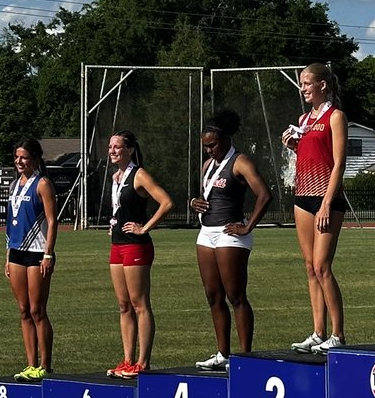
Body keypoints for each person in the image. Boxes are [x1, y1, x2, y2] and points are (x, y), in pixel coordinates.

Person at [189, 110, 273, 371]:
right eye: (205, 146)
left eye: (212, 145)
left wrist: (248, 226)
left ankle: (245, 357)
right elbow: (203, 195)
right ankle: (222, 353)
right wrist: (193, 202)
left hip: (230, 234)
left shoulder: (240, 161)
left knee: (235, 295)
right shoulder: (207, 166)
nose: (209, 150)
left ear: (225, 139)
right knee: (213, 296)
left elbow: (264, 194)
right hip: (206, 233)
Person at [282, 63, 348, 355]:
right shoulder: (304, 119)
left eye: (307, 83)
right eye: (301, 84)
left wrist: (326, 203)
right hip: (302, 195)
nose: (303, 88)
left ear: (323, 84)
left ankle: (338, 333)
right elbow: (309, 155)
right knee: (309, 267)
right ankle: (317, 331)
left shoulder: (336, 117)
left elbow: (338, 163)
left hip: (326, 198)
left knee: (322, 266)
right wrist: (294, 146)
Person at [106, 129, 174, 379]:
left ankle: (143, 362)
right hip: (117, 245)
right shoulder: (115, 177)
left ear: (130, 149)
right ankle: (127, 359)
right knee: (123, 305)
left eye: (117, 147)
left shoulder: (139, 175)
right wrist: (113, 223)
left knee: (139, 304)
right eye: (110, 147)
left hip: (136, 246)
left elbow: (166, 202)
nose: (112, 151)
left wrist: (143, 227)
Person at [4, 139, 58, 382]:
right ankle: (30, 363)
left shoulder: (43, 184)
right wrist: (7, 256)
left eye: (24, 157)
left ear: (35, 158)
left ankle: (45, 365)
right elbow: (10, 223)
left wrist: (48, 253)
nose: (19, 161)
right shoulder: (15, 184)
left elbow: (52, 220)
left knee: (37, 310)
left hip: (37, 253)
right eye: (17, 157)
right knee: (23, 310)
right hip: (16, 253)